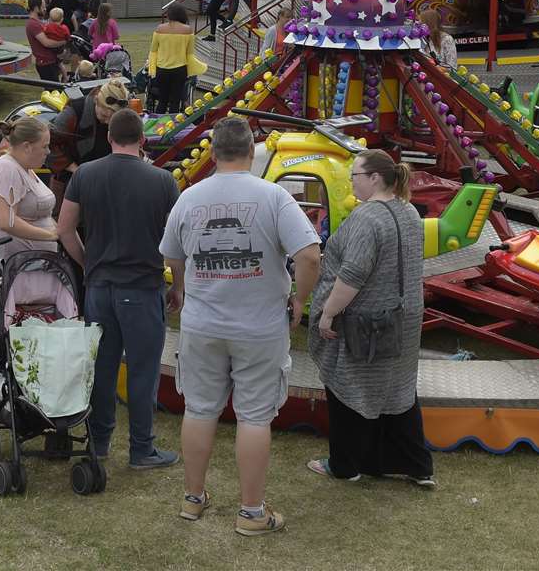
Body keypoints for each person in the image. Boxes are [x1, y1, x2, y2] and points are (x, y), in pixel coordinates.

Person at [160, 116, 320, 535]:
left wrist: (180, 289)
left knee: (198, 409)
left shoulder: (189, 197)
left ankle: (192, 499)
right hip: (260, 326)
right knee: (253, 418)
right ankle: (251, 513)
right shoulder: (274, 197)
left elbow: (172, 256)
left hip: (202, 323)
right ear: (253, 152)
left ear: (212, 153)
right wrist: (299, 299)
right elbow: (309, 255)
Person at [58, 107, 179, 470]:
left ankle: (99, 443)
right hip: (142, 289)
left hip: (99, 289)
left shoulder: (87, 175)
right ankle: (142, 450)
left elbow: (64, 229)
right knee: (142, 372)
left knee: (102, 368)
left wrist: (87, 264)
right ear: (143, 140)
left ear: (109, 138)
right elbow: (175, 244)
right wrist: (180, 287)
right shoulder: (163, 181)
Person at [308, 149, 433, 487]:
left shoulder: (367, 218)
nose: (352, 183)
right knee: (399, 391)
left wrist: (327, 314)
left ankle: (345, 466)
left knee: (348, 388)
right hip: (404, 319)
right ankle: (417, 466)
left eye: (355, 176)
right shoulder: (408, 211)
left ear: (375, 178)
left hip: (368, 323)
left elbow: (352, 275)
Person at [0, 116, 57, 279]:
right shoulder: (7, 170)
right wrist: (52, 235)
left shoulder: (23, 166)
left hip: (28, 265)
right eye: (45, 146)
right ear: (27, 146)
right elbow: (7, 221)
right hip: (13, 269)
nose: (48, 152)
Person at [48, 77, 129, 188]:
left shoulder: (123, 117)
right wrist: (75, 170)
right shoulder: (74, 111)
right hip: (71, 180)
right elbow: (49, 142)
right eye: (104, 116)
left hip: (106, 179)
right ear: (96, 101)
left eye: (113, 118)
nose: (108, 122)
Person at [146, 4, 207, 115]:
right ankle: (174, 127)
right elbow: (189, 54)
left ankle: (159, 125)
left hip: (162, 69)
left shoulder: (160, 28)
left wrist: (151, 69)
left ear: (169, 15)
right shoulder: (188, 30)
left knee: (162, 100)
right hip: (180, 69)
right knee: (175, 101)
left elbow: (153, 51)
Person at [24, 0, 66, 82]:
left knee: (55, 91)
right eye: (43, 6)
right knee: (53, 92)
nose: (45, 9)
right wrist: (63, 41)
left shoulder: (38, 22)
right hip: (46, 64)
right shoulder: (33, 24)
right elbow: (46, 42)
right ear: (36, 8)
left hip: (51, 62)